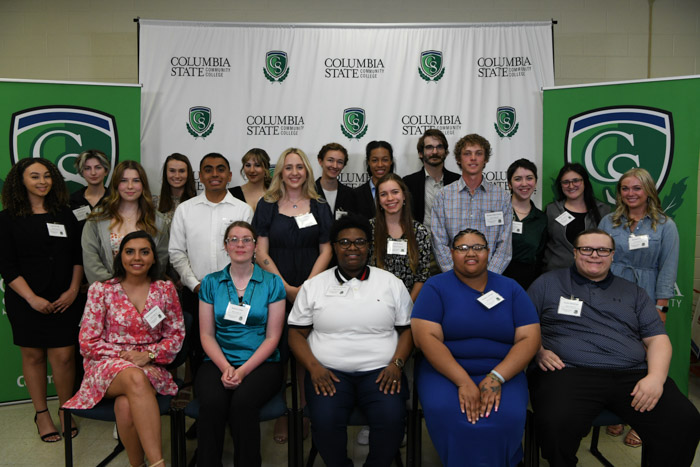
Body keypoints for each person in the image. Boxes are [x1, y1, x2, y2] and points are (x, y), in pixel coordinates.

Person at [527, 229, 700, 467]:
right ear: (575, 252)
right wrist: (539, 350)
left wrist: (656, 378)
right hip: (568, 371)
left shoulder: (634, 292)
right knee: (557, 423)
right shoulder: (547, 284)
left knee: (684, 421)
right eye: (587, 249)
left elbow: (657, 339)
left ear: (612, 255)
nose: (594, 255)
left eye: (603, 250)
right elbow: (523, 326)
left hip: (632, 375)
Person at [288, 214, 413, 467]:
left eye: (359, 242)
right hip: (328, 373)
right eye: (344, 242)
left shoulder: (391, 283)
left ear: (369, 246)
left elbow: (408, 330)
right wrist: (314, 368)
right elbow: (295, 333)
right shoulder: (314, 286)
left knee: (392, 419)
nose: (352, 248)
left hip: (382, 372)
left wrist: (397, 364)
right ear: (334, 247)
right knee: (324, 421)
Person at [411, 228, 540, 466]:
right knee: (452, 416)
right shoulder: (435, 287)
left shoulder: (511, 288)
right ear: (451, 253)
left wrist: (496, 377)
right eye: (462, 248)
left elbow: (529, 338)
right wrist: (462, 381)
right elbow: (425, 338)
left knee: (505, 416)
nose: (470, 253)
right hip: (445, 372)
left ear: (488, 252)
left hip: (503, 370)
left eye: (478, 247)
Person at [63, 231, 185, 467]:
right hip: (105, 365)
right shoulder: (102, 290)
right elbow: (87, 342)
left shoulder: (165, 289)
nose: (137, 258)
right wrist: (124, 355)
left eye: (144, 251)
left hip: (150, 365)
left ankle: (137, 464)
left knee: (125, 405)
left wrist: (148, 355)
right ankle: (159, 464)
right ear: (120, 257)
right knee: (134, 378)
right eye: (130, 251)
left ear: (153, 258)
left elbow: (176, 335)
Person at [0, 158, 83, 443]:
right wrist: (31, 298)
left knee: (64, 356)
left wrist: (73, 290)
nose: (42, 181)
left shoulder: (65, 214)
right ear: (20, 181)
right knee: (34, 356)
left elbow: (76, 257)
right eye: (34, 176)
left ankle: (65, 409)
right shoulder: (7, 218)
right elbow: (7, 265)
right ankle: (41, 413)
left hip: (64, 298)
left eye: (47, 176)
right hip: (25, 300)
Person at [252, 147, 332, 443]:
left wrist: (306, 288)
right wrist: (285, 288)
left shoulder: (320, 204)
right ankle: (282, 412)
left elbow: (327, 249)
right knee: (278, 352)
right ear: (280, 173)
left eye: (300, 167)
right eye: (289, 167)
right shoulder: (267, 204)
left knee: (306, 353)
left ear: (307, 171)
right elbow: (260, 250)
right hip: (274, 288)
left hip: (313, 288)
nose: (295, 172)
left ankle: (304, 411)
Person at [599, 167, 680, 447]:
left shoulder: (665, 225)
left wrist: (662, 307)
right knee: (613, 351)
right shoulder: (609, 221)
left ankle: (642, 421)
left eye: (636, 188)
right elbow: (598, 257)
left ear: (648, 191)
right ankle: (617, 412)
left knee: (646, 359)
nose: (630, 193)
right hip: (611, 292)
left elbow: (668, 268)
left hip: (646, 293)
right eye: (625, 188)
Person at [195, 221, 286, 466]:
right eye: (233, 239)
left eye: (246, 239)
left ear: (256, 246)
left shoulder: (273, 282)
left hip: (261, 362)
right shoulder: (211, 282)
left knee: (243, 404)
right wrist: (226, 367)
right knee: (212, 404)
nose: (240, 244)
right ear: (225, 246)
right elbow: (206, 335)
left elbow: (273, 337)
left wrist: (242, 371)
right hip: (217, 359)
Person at [169, 152, 254, 373]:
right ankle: (201, 396)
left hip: (237, 293)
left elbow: (248, 252)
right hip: (196, 292)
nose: (214, 174)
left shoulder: (242, 210)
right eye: (208, 169)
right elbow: (176, 252)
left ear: (229, 175)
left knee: (235, 345)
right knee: (197, 349)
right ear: (200, 176)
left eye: (220, 169)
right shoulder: (185, 210)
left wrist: (236, 287)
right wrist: (195, 285)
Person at [431, 133, 512, 273]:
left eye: (478, 153)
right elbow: (439, 243)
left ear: (485, 159)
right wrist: (455, 276)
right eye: (467, 153)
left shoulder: (502, 197)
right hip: (453, 278)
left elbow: (504, 246)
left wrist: (488, 277)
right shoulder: (443, 197)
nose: (473, 158)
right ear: (458, 159)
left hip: (490, 278)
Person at [81, 160, 169, 284]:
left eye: (136, 180)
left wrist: (139, 288)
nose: (130, 186)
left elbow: (160, 261)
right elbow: (91, 259)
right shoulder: (97, 218)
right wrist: (114, 288)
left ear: (143, 184)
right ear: (116, 184)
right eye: (124, 180)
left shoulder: (158, 221)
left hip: (145, 293)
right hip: (106, 293)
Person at [370, 173, 431, 302]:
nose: (390, 198)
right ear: (379, 201)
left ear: (404, 196)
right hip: (374, 302)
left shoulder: (419, 232)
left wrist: (407, 305)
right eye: (383, 194)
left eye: (395, 192)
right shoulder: (369, 229)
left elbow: (422, 276)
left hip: (410, 304)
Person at [543, 163, 610, 272]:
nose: (571, 186)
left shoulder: (603, 211)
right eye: (566, 182)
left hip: (591, 274)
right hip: (556, 274)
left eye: (576, 180)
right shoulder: (552, 210)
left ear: (585, 182)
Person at [502, 159, 548, 289]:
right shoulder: (498, 212)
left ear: (535, 182)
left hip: (529, 284)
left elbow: (540, 258)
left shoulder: (541, 218)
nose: (524, 183)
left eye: (529, 178)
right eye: (518, 179)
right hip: (497, 279)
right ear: (510, 184)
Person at [402, 129, 460, 226]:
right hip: (418, 239)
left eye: (439, 147)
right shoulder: (408, 183)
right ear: (421, 153)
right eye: (429, 147)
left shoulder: (458, 181)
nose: (435, 152)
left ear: (446, 152)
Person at [353, 140, 394, 220]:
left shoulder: (402, 191)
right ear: (368, 162)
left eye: (385, 160)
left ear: (391, 161)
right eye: (375, 160)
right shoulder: (356, 194)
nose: (380, 165)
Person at [69, 149, 110, 226]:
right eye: (87, 168)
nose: (93, 173)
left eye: (98, 167)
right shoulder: (72, 201)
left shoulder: (115, 199)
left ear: (106, 171)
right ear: (82, 172)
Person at [315, 142, 356, 220]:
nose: (335, 166)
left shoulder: (350, 195)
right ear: (320, 161)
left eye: (340, 162)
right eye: (330, 160)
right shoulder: (308, 192)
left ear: (343, 165)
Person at [152, 153, 196, 224]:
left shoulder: (197, 204)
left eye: (181, 171)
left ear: (188, 174)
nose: (177, 176)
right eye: (172, 171)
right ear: (165, 173)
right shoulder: (154, 203)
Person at [229, 148, 272, 213]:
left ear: (266, 168)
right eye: (248, 165)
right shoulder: (231, 194)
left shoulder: (276, 194)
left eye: (257, 165)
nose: (252, 170)